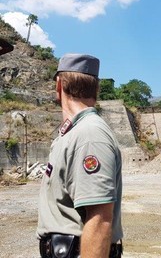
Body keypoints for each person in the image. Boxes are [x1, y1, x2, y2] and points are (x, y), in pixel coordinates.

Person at [37, 53, 123, 258]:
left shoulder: (89, 135)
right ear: (96, 89)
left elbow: (100, 219)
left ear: (59, 85)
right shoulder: (75, 133)